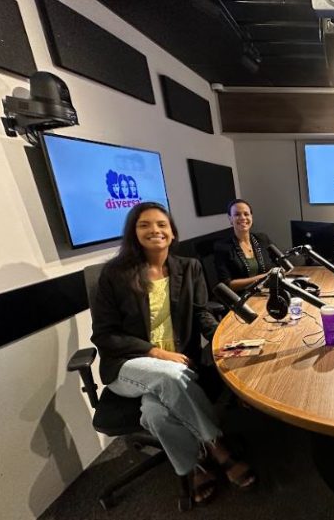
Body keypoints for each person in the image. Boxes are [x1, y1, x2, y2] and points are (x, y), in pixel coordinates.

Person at [91, 202, 257, 506]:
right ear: (133, 232)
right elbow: (104, 335)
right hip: (128, 366)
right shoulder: (115, 275)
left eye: (161, 224)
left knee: (155, 414)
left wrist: (226, 341)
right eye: (145, 225)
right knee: (170, 374)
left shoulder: (188, 268)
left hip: (176, 365)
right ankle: (217, 447)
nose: (155, 230)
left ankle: (191, 468)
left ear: (172, 232)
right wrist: (154, 351)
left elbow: (202, 314)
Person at [214, 199, 277, 293]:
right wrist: (263, 277)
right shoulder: (222, 247)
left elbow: (280, 262)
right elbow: (227, 285)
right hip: (242, 298)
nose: (243, 218)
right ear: (230, 218)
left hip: (268, 292)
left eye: (246, 214)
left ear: (251, 217)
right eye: (237, 214)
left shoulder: (262, 238)